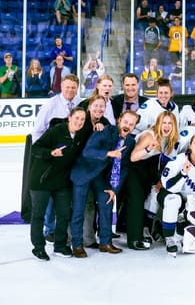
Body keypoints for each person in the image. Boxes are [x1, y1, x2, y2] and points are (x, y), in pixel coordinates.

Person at [69, 110, 139, 258]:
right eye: (126, 122)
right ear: (119, 120)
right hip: (84, 173)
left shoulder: (130, 141)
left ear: (134, 127)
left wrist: (114, 189)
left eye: (131, 124)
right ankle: (77, 245)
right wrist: (109, 153)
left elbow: (124, 167)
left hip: (100, 176)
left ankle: (105, 242)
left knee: (106, 202)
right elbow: (88, 151)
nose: (127, 126)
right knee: (78, 210)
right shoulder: (106, 131)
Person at [28, 107, 87, 261]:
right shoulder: (56, 131)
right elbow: (35, 148)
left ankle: (60, 246)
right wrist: (51, 153)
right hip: (42, 179)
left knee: (64, 214)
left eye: (82, 119)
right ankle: (38, 248)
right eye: (77, 118)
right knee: (38, 215)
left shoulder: (81, 135)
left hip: (61, 181)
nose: (79, 122)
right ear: (69, 117)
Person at [158, 134, 195, 255]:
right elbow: (169, 186)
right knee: (173, 200)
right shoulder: (178, 160)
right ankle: (169, 238)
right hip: (170, 193)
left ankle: (180, 229)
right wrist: (183, 173)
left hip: (190, 199)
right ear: (190, 146)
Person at [128, 111, 180, 249]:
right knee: (136, 202)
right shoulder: (149, 136)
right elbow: (133, 157)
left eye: (170, 123)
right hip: (133, 167)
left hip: (148, 168)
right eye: (164, 122)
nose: (167, 126)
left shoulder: (169, 138)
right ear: (158, 124)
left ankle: (145, 231)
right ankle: (134, 240)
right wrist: (148, 148)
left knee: (148, 197)